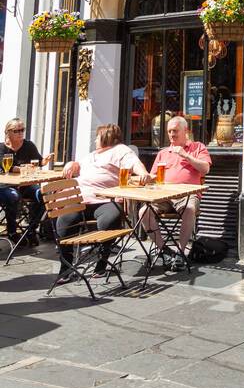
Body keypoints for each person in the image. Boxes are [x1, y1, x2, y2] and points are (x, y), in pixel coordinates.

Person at [59, 124, 148, 274]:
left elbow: (134, 164)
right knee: (64, 220)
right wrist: (71, 164)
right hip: (81, 199)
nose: (95, 140)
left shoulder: (120, 150)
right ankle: (66, 267)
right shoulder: (92, 154)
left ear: (106, 137)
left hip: (106, 199)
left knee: (109, 219)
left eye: (97, 137)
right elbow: (78, 164)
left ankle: (102, 260)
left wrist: (144, 173)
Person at [142, 114, 211, 271]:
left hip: (187, 195)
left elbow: (205, 169)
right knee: (143, 211)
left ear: (185, 131)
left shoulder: (198, 147)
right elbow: (154, 176)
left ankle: (180, 253)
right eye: (169, 131)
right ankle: (164, 250)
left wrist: (185, 155)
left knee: (189, 209)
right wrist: (147, 178)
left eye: (175, 131)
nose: (171, 135)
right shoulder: (163, 152)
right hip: (164, 195)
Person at [0, 118, 52, 246]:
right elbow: (5, 167)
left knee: (44, 195)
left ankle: (31, 230)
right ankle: (12, 232)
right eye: (16, 130)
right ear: (8, 133)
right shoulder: (1, 148)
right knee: (13, 196)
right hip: (5, 186)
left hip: (25, 185)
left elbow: (38, 162)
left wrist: (44, 161)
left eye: (22, 130)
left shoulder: (28, 145)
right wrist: (23, 168)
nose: (20, 133)